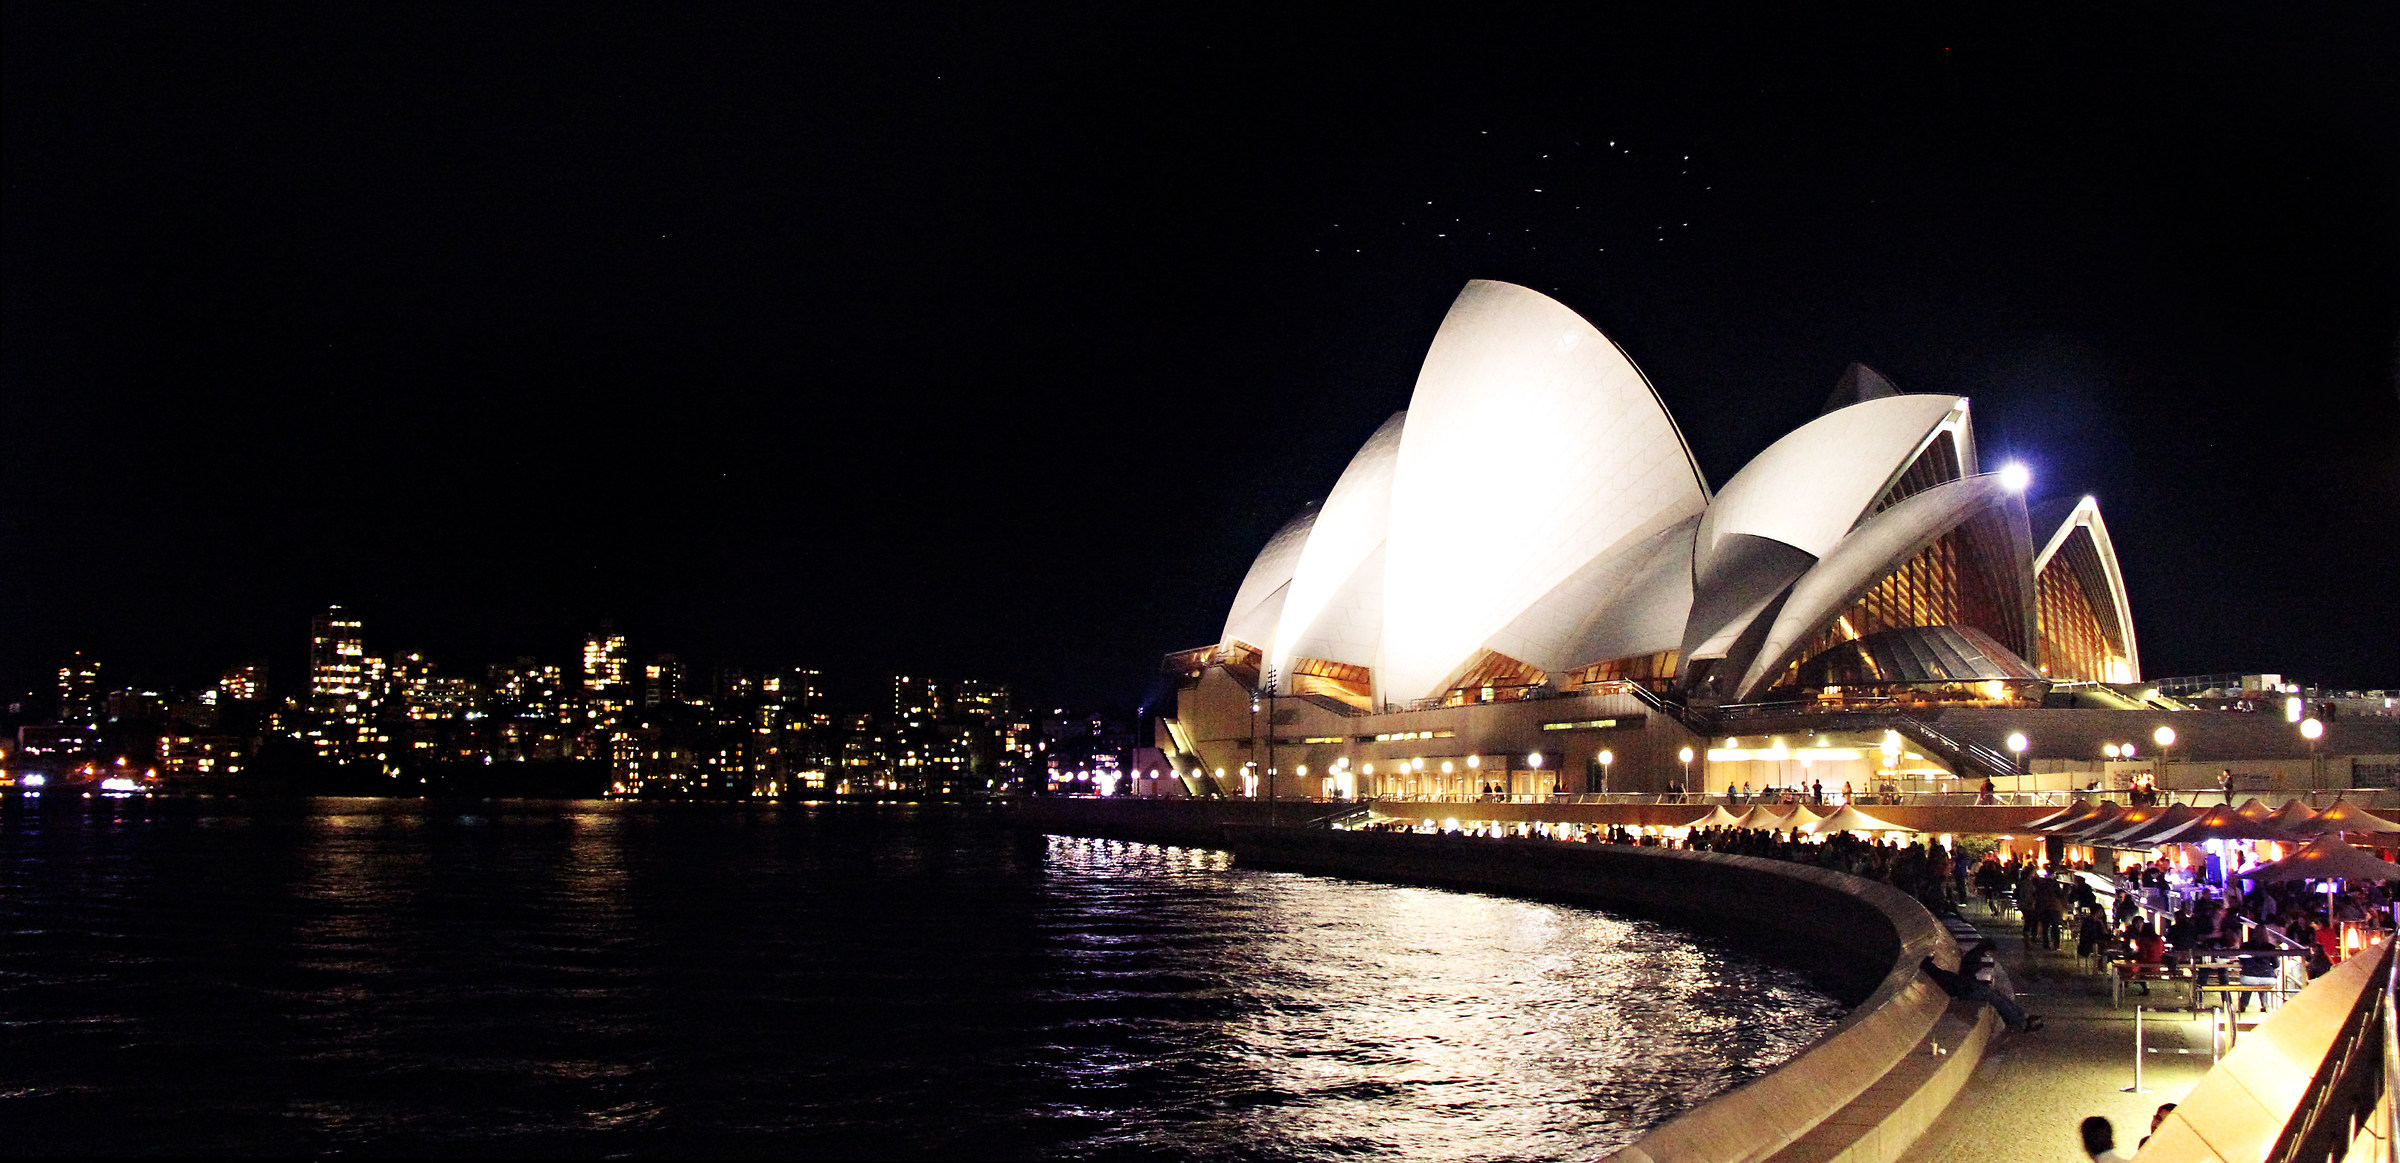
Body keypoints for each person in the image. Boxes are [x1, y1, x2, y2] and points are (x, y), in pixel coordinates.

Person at [1920, 941, 2042, 1032]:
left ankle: (2021, 1017)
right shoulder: (1975, 957)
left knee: (1998, 996)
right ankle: (2021, 1020)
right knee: (1997, 998)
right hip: (1968, 989)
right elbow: (1970, 976)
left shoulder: (1974, 955)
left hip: (1969, 987)